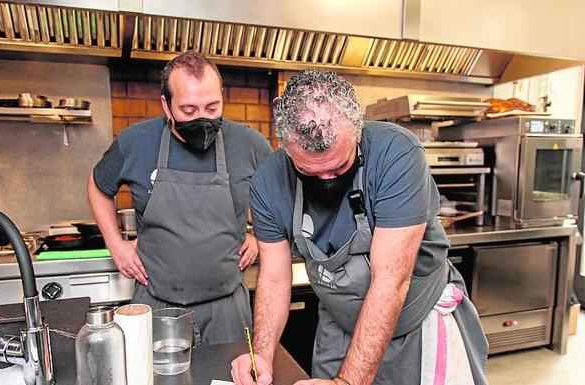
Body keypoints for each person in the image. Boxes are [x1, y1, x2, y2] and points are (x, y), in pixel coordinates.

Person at [231, 70, 488, 385]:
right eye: (308, 172)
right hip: (339, 326)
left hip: (415, 325)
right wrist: (262, 354)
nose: (327, 181)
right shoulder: (268, 182)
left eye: (340, 167)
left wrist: (347, 383)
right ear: (285, 146)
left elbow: (390, 281)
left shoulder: (396, 154)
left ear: (357, 130)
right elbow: (273, 278)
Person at [88, 51, 272, 345]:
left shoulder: (250, 144)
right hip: (156, 305)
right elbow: (98, 186)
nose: (202, 118)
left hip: (227, 310)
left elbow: (279, 197)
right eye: (188, 110)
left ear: (222, 96)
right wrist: (115, 244)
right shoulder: (136, 141)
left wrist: (259, 237)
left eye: (212, 107)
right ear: (167, 105)